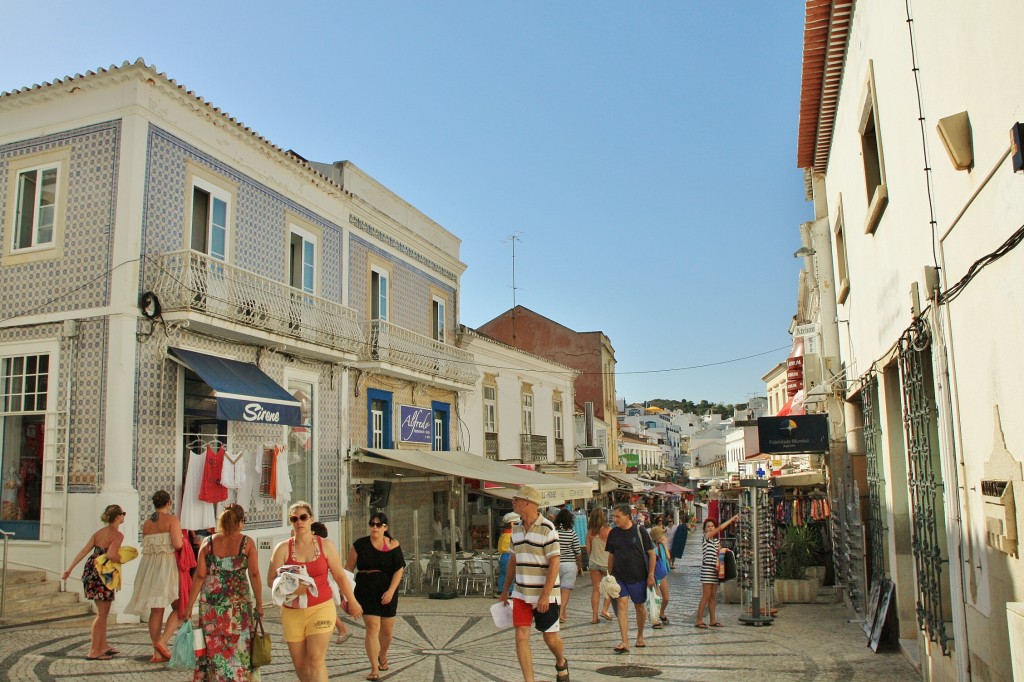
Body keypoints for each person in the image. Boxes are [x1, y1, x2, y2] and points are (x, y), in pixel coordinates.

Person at [269, 501, 361, 682]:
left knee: (316, 658)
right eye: (294, 518)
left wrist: (353, 601)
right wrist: (293, 588)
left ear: (311, 519)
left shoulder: (325, 545)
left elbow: (340, 576)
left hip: (321, 608)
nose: (299, 522)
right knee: (300, 664)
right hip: (292, 611)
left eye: (303, 517)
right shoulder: (282, 548)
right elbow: (270, 580)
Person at [498, 485, 570, 682]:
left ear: (527, 503)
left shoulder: (548, 528)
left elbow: (555, 561)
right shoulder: (517, 529)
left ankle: (561, 660)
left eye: (516, 499)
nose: (513, 502)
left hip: (545, 594)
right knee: (521, 636)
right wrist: (506, 590)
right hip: (521, 593)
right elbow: (513, 560)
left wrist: (546, 594)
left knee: (550, 638)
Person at [184, 503, 262, 681]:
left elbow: (199, 575)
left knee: (214, 647)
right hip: (238, 606)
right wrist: (259, 603)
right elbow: (255, 574)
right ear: (241, 522)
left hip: (212, 606)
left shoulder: (208, 542)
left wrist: (189, 606)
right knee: (239, 647)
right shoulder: (246, 543)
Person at [124, 490, 183, 662]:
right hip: (166, 565)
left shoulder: (147, 523)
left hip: (149, 568)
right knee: (180, 606)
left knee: (156, 610)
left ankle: (156, 652)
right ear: (168, 503)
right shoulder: (172, 520)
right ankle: (162, 643)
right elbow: (178, 545)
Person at [345, 511, 405, 681]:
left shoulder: (393, 545)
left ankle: (383, 655)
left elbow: (399, 569)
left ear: (385, 527)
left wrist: (391, 591)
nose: (375, 527)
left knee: (387, 631)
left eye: (379, 525)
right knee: (372, 628)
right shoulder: (360, 545)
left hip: (387, 589)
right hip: (365, 589)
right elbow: (348, 569)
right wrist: (347, 595)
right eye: (372, 524)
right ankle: (373, 668)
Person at [62, 504, 126, 660]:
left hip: (91, 572)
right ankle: (94, 650)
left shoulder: (98, 533)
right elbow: (111, 555)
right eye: (123, 513)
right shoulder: (117, 535)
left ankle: (103, 645)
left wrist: (70, 569)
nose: (124, 516)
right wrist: (123, 558)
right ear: (118, 516)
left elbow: (85, 551)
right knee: (102, 614)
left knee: (102, 613)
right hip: (103, 575)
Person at [605, 502, 656, 654]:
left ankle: (640, 636)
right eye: (613, 516)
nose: (615, 519)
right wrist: (609, 576)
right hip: (620, 577)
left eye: (618, 516)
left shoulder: (640, 532)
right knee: (621, 606)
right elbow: (611, 555)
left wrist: (651, 575)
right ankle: (625, 641)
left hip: (639, 577)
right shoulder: (613, 533)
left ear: (627, 516)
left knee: (639, 607)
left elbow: (652, 554)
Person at [694, 514, 740, 629]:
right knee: (706, 595)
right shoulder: (706, 537)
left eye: (712, 526)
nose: (710, 528)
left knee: (713, 596)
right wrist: (731, 520)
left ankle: (712, 620)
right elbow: (720, 529)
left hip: (715, 571)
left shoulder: (716, 542)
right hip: (707, 569)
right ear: (704, 529)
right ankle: (699, 620)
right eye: (708, 526)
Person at [310, 522, 350, 643]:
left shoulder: (324, 547)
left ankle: (340, 629)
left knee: (326, 607)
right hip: (321, 583)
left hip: (324, 583)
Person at [554, 508, 582, 624]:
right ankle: (561, 613)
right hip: (569, 564)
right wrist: (579, 564)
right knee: (566, 590)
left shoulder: (554, 533)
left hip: (555, 563)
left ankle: (561, 613)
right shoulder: (572, 533)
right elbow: (578, 551)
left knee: (557, 590)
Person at [585, 508, 613, 623]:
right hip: (607, 563)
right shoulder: (609, 530)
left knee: (596, 589)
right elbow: (613, 548)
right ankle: (605, 610)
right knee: (609, 588)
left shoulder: (590, 532)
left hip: (594, 563)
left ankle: (594, 617)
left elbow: (588, 550)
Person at [649, 526, 670, 628]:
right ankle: (655, 621)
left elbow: (668, 556)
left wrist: (664, 545)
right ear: (657, 537)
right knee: (656, 599)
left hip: (662, 574)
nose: (664, 536)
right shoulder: (651, 547)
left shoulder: (661, 546)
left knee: (666, 598)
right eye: (662, 534)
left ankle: (661, 613)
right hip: (655, 575)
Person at [496, 511, 520, 598]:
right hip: (508, 555)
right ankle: (509, 590)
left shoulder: (503, 534)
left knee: (502, 574)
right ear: (512, 524)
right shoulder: (511, 535)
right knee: (510, 573)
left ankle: (500, 589)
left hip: (502, 556)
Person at [670, 503, 690, 568]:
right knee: (673, 553)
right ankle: (671, 564)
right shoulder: (683, 526)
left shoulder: (681, 526)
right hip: (676, 541)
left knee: (673, 552)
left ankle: (671, 564)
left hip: (675, 541)